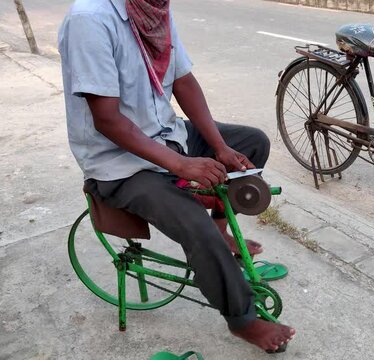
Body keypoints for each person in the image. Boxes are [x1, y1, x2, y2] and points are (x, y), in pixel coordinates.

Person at [58, 0, 294, 353]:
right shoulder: (90, 20)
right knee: (189, 219)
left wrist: (219, 148)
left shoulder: (154, 11)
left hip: (165, 133)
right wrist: (181, 166)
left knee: (252, 142)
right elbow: (106, 119)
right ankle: (242, 320)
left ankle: (219, 234)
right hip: (119, 162)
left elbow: (183, 81)